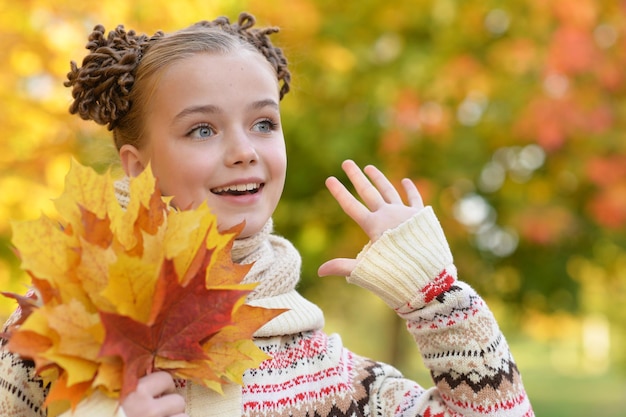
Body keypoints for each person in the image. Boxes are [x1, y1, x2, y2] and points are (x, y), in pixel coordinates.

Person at [0, 12, 534, 417]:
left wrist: (438, 299)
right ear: (138, 167)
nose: (243, 150)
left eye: (263, 124)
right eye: (202, 130)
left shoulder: (323, 378)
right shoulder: (58, 324)